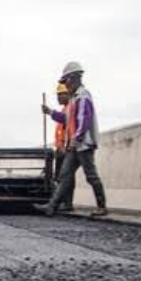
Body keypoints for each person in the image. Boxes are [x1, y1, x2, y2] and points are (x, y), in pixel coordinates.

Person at [36, 61, 108, 217]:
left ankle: (102, 207)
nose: (65, 85)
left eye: (66, 81)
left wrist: (77, 139)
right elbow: (67, 119)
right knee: (64, 176)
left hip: (83, 145)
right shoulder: (74, 99)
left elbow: (84, 119)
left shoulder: (83, 96)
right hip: (74, 145)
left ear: (74, 78)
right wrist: (50, 112)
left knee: (91, 176)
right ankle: (52, 206)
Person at [50, 82, 76, 212]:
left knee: (66, 177)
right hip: (61, 148)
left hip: (66, 149)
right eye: (58, 95)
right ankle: (64, 203)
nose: (58, 98)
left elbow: (67, 121)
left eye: (61, 95)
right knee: (62, 177)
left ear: (67, 94)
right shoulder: (65, 108)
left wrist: (50, 112)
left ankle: (66, 203)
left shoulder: (70, 108)